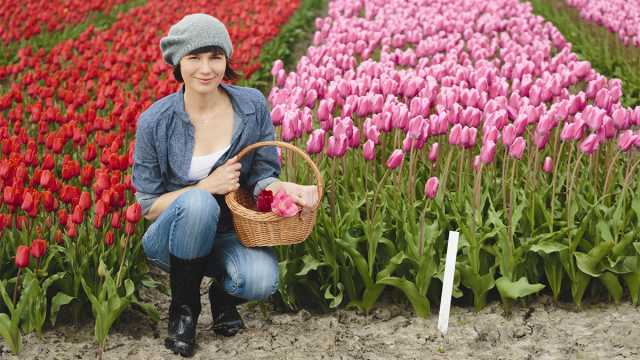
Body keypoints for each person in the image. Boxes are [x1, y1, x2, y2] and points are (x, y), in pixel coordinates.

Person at [132, 13, 318, 357]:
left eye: (215, 57)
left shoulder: (250, 105)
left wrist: (284, 190)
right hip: (170, 239)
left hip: (231, 231)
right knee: (199, 203)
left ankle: (222, 297)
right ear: (178, 62)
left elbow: (263, 174)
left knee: (262, 279)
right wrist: (206, 186)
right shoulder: (155, 122)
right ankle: (184, 313)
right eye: (194, 58)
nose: (206, 69)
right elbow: (147, 207)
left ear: (226, 59)